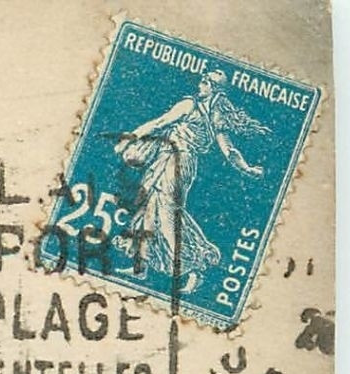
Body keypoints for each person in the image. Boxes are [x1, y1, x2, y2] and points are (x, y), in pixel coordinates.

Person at [112, 69, 269, 295]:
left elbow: (159, 123)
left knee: (166, 217)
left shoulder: (189, 105)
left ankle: (195, 268)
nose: (201, 84)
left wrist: (129, 139)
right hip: (180, 162)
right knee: (151, 210)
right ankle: (141, 267)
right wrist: (248, 169)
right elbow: (230, 151)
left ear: (212, 88)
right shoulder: (216, 117)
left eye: (205, 81)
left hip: (174, 161)